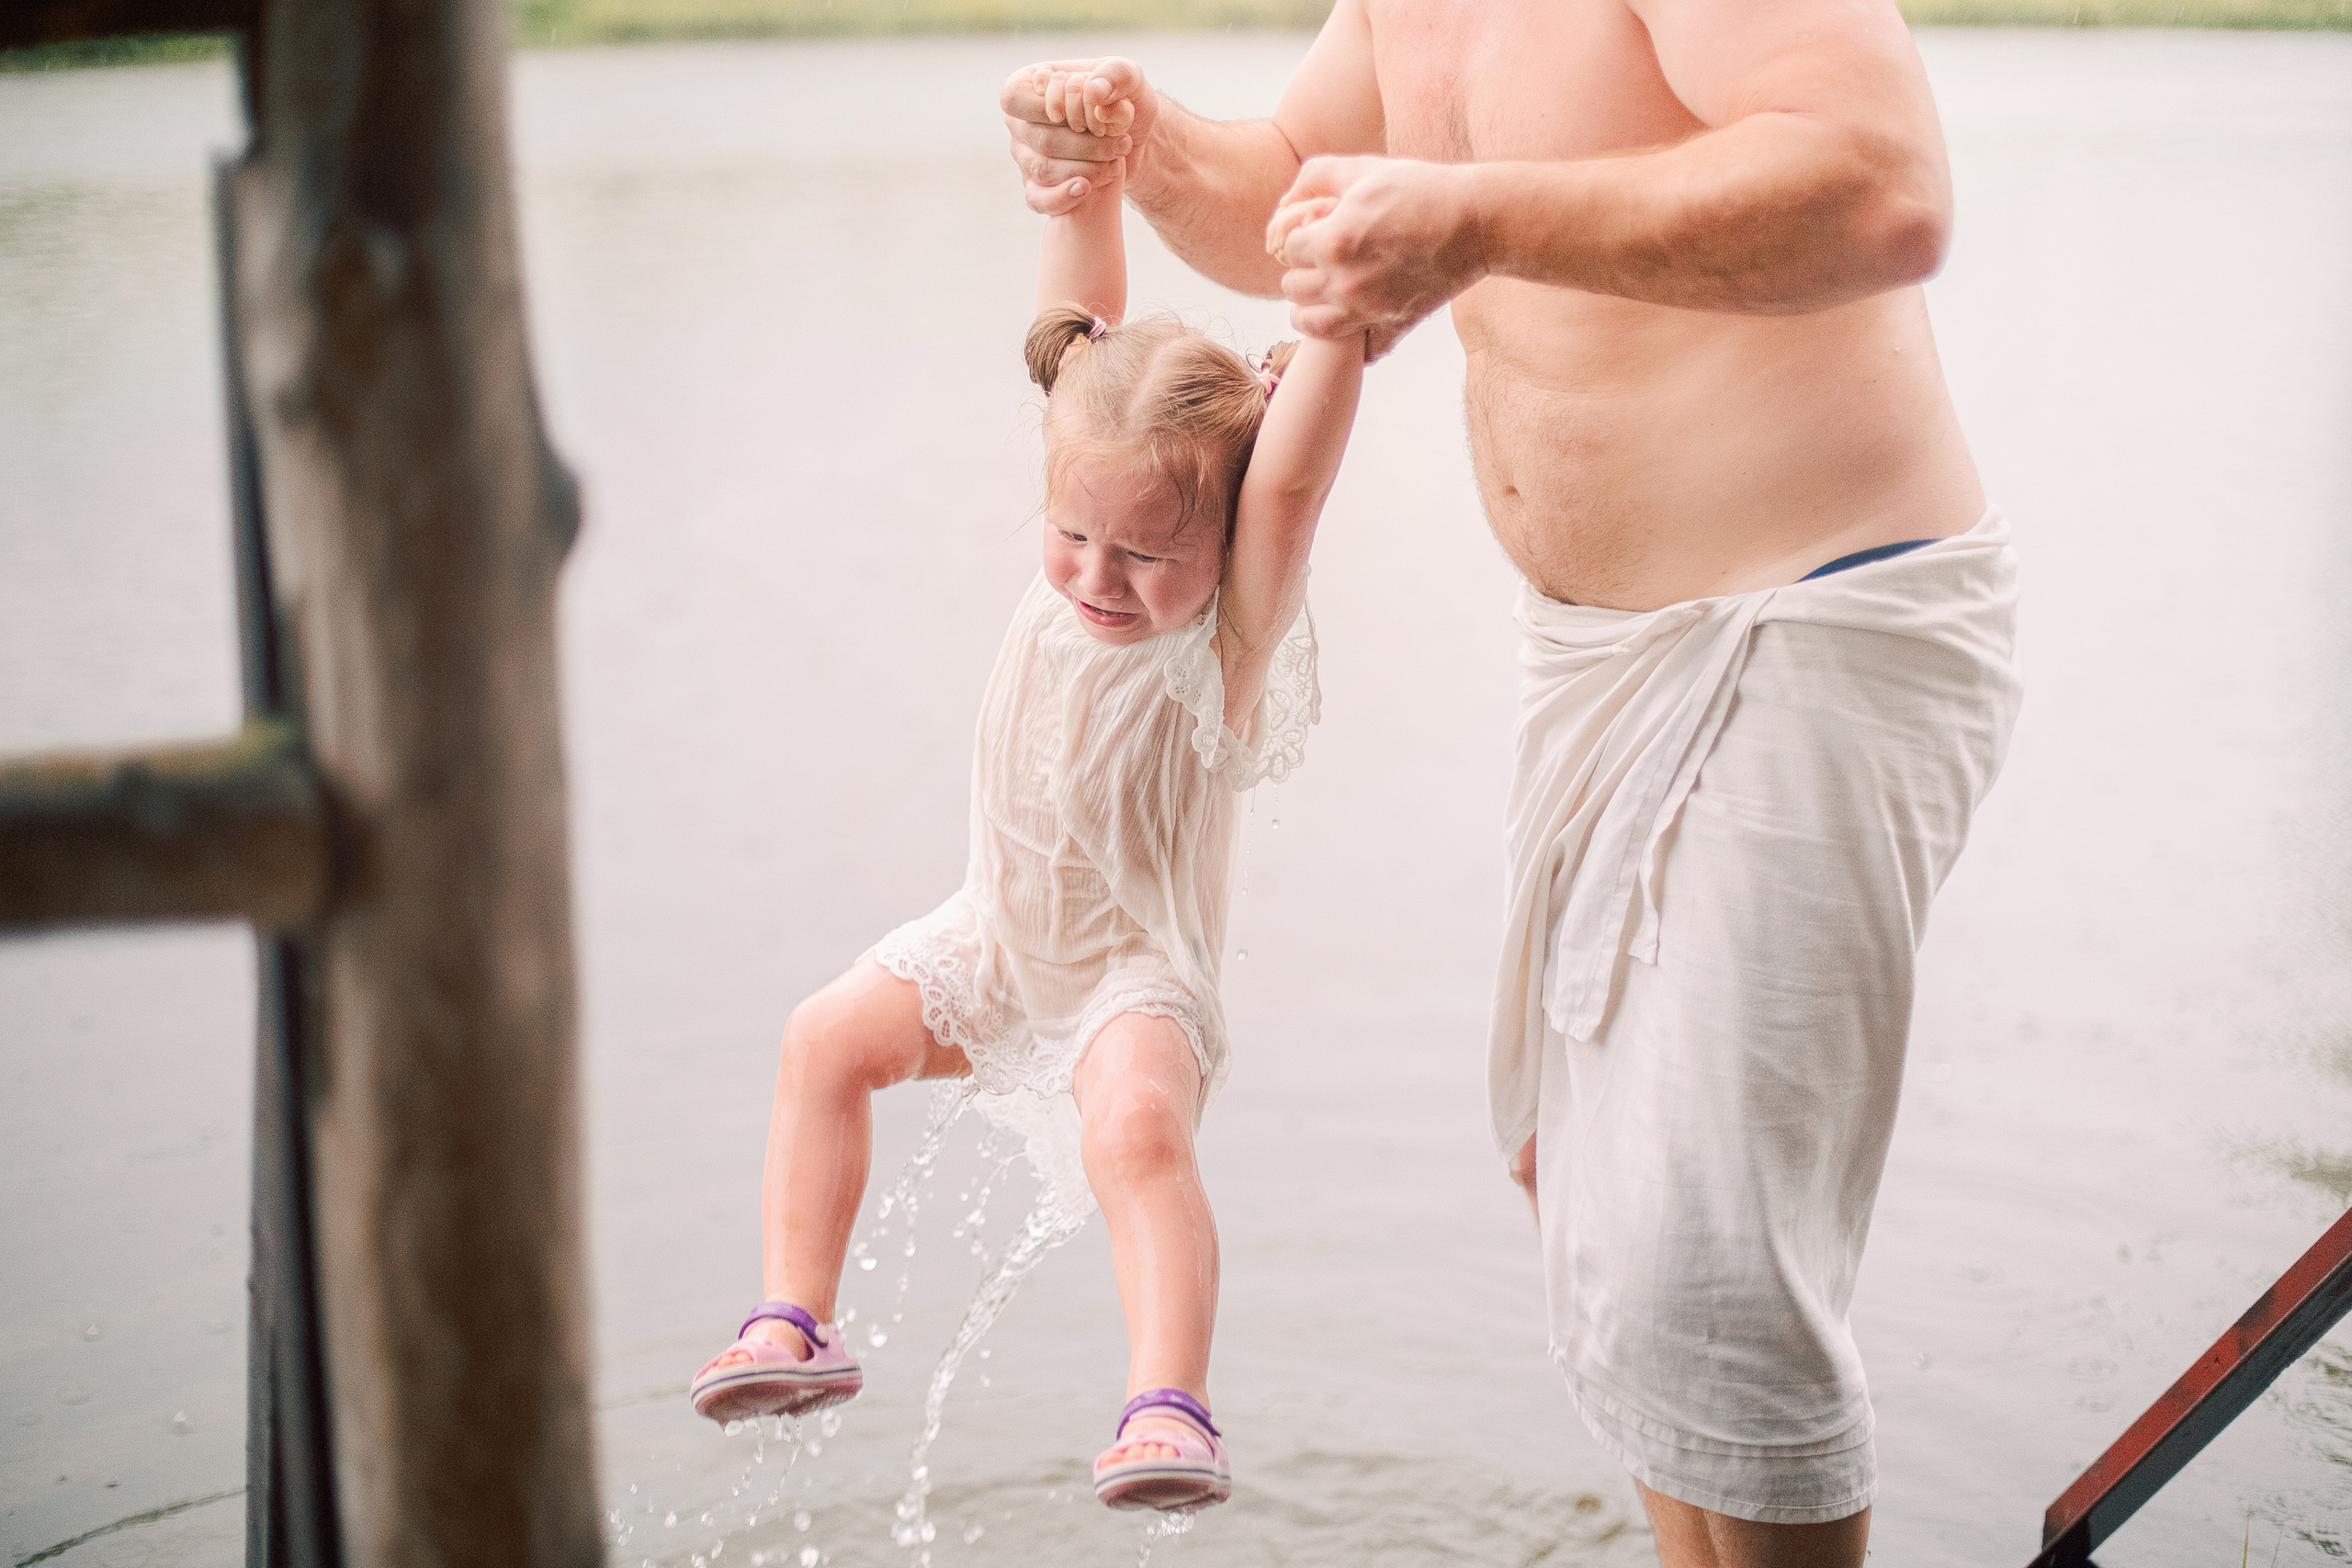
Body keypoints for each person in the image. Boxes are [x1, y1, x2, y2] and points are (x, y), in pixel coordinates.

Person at [1002, 6, 2020, 1562]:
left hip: (1814, 614)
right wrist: (1146, 147)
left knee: (1703, 1267)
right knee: (1594, 1203)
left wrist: (1469, 221)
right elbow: (1294, 184)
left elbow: (1881, 191)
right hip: (1598, 653)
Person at [689, 70, 1366, 1516]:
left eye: (1146, 556)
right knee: (822, 1040)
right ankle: (795, 1319)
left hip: (1133, 974)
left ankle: (1166, 1402)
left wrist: (1338, 320)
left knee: (1134, 1134)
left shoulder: (1222, 638)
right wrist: (1083, 183)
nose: (1098, 579)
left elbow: (1294, 483)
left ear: (1221, 549)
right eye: (1073, 537)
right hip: (994, 942)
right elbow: (1074, 330)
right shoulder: (1084, 519)